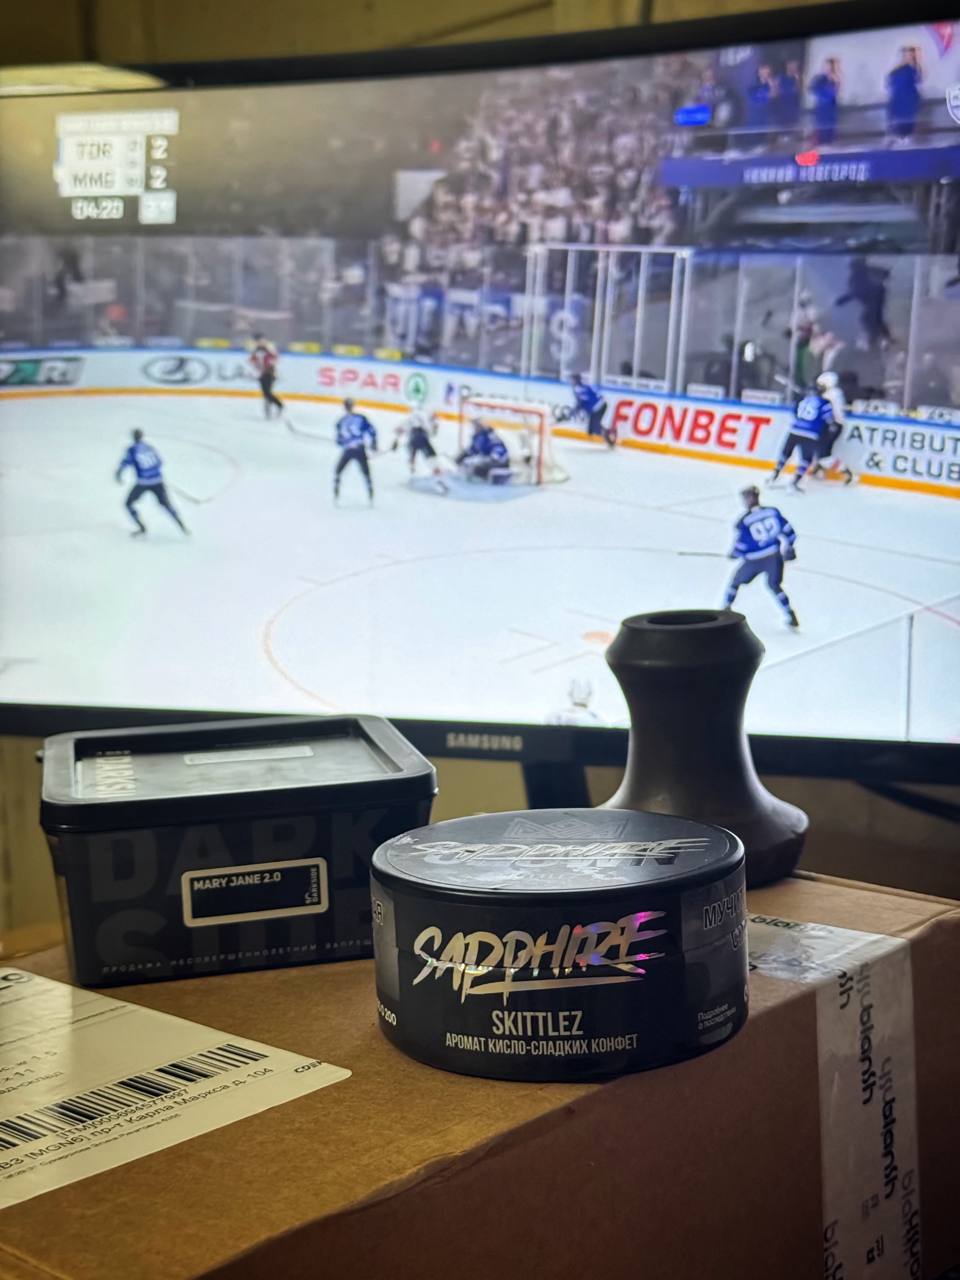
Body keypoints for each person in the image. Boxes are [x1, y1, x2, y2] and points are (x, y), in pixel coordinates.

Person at [722, 485, 799, 629]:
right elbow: (789, 532)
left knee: (735, 583)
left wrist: (734, 554)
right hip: (774, 557)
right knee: (775, 586)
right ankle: (790, 614)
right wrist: (789, 548)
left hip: (754, 560)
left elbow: (742, 545)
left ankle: (725, 609)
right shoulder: (772, 511)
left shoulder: (743, 521)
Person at [115, 429, 189, 538]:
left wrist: (118, 474)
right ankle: (182, 526)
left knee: (128, 504)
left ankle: (142, 527)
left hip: (143, 482)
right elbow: (159, 462)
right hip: (158, 481)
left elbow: (125, 463)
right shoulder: (149, 447)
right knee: (166, 504)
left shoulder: (132, 449)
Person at [768, 385, 834, 491]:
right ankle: (795, 482)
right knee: (806, 459)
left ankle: (774, 476)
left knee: (785, 454)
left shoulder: (803, 400)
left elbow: (795, 412)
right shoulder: (825, 403)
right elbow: (829, 419)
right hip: (811, 433)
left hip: (795, 429)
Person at [835, 257, 892, 349]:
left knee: (869, 318)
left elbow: (854, 292)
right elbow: (854, 292)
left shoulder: (859, 276)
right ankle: (882, 337)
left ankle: (878, 338)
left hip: (874, 297)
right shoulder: (860, 275)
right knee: (873, 318)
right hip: (874, 297)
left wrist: (842, 300)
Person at [809, 371, 854, 484]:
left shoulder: (831, 395)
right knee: (822, 450)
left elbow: (830, 412)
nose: (819, 387)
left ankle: (845, 472)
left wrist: (831, 425)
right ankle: (819, 469)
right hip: (831, 425)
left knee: (823, 453)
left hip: (832, 426)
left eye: (821, 385)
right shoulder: (834, 393)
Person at [334, 398, 378, 504]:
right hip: (360, 449)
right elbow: (372, 430)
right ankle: (370, 492)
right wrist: (373, 443)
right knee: (366, 472)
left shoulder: (341, 421)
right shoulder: (361, 418)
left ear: (344, 407)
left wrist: (341, 441)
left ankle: (336, 492)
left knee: (338, 471)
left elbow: (339, 440)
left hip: (348, 450)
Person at [887, 47, 922, 143]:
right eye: (906, 55)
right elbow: (890, 83)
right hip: (899, 102)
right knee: (898, 126)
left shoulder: (913, 69)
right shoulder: (895, 71)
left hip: (909, 102)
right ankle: (899, 138)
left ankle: (906, 138)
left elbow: (919, 81)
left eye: (911, 55)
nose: (908, 57)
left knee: (908, 126)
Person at [569, 373, 615, 447]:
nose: (571, 382)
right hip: (601, 405)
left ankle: (610, 434)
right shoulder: (586, 386)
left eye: (572, 380)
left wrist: (574, 411)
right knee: (592, 429)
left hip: (597, 408)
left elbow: (580, 403)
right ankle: (608, 435)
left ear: (576, 380)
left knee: (596, 428)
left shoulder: (578, 390)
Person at [393, 408, 440, 475]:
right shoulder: (424, 417)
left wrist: (395, 442)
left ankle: (412, 468)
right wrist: (435, 427)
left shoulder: (410, 419)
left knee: (412, 452)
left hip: (413, 438)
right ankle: (436, 470)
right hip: (422, 437)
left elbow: (399, 430)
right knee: (430, 454)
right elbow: (432, 432)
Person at [249, 333, 285, 420]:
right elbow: (252, 360)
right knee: (265, 393)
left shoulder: (269, 348)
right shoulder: (256, 350)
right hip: (261, 374)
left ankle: (280, 405)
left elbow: (275, 358)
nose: (259, 342)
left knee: (268, 392)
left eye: (260, 340)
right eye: (257, 341)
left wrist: (269, 366)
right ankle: (267, 410)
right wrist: (257, 366)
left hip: (270, 374)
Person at [809, 58, 841, 145]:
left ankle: (829, 142)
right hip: (821, 107)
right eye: (827, 66)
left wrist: (836, 82)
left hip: (831, 107)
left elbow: (835, 92)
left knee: (830, 127)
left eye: (831, 67)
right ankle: (820, 142)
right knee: (821, 127)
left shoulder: (834, 78)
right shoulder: (819, 78)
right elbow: (812, 89)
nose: (828, 69)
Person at [776, 60, 803, 135]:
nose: (793, 67)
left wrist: (798, 79)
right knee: (783, 124)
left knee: (793, 124)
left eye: (795, 66)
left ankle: (791, 134)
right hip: (783, 105)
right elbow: (777, 91)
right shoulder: (780, 77)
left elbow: (798, 91)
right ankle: (783, 135)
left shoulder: (797, 78)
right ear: (787, 65)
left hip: (793, 105)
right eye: (792, 65)